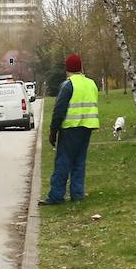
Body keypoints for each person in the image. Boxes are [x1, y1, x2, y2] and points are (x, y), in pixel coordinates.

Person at [39, 54, 100, 205]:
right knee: (79, 162)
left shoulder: (68, 85)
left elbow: (59, 110)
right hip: (87, 127)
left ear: (67, 69)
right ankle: (77, 194)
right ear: (80, 67)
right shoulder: (91, 83)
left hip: (70, 128)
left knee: (63, 162)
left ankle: (56, 196)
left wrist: (53, 131)